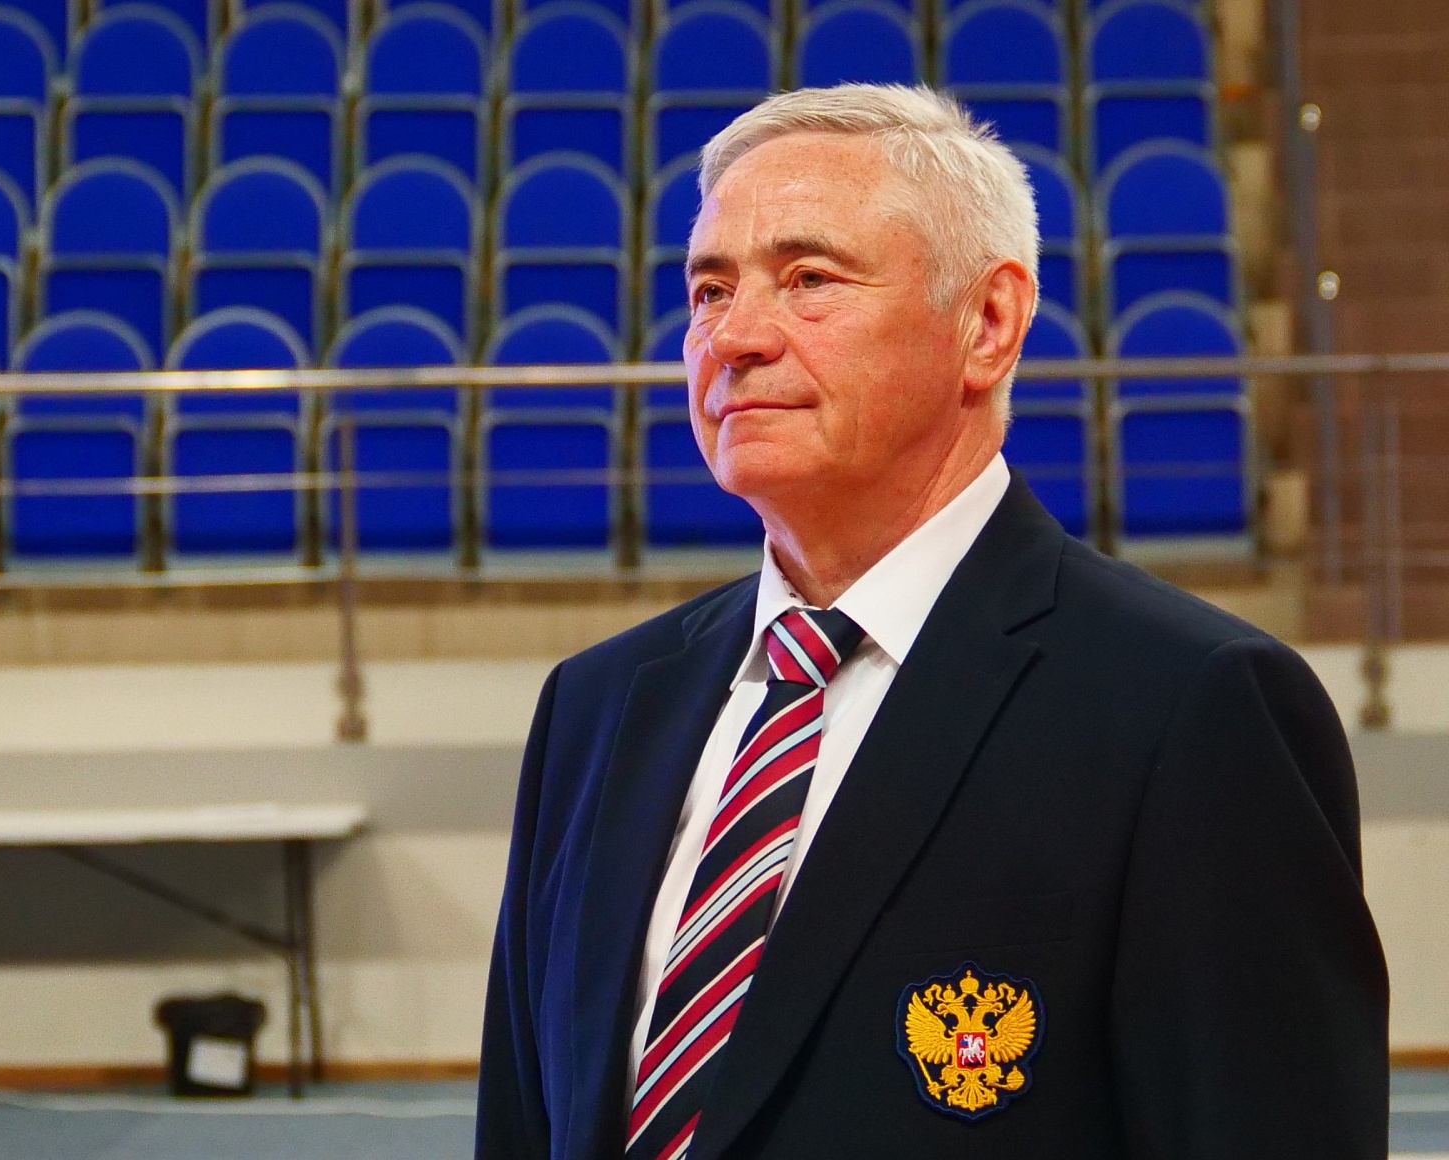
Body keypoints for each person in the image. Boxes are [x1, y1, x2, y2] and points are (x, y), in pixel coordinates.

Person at [476, 84, 1389, 1159]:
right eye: (710, 289)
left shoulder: (1191, 708)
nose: (735, 337)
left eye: (809, 280)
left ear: (988, 324)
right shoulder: (596, 709)